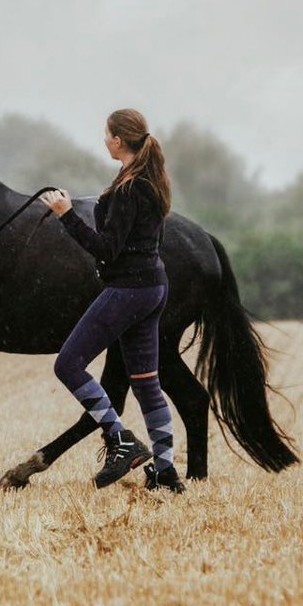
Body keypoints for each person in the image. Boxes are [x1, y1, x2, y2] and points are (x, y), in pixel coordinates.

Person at [39, 108, 185, 494]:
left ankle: (119, 439)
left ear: (119, 140)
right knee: (146, 383)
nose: (104, 140)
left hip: (129, 291)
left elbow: (106, 250)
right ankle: (166, 472)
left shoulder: (129, 188)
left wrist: (66, 215)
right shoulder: (148, 180)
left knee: (68, 364)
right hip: (154, 288)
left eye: (107, 135)